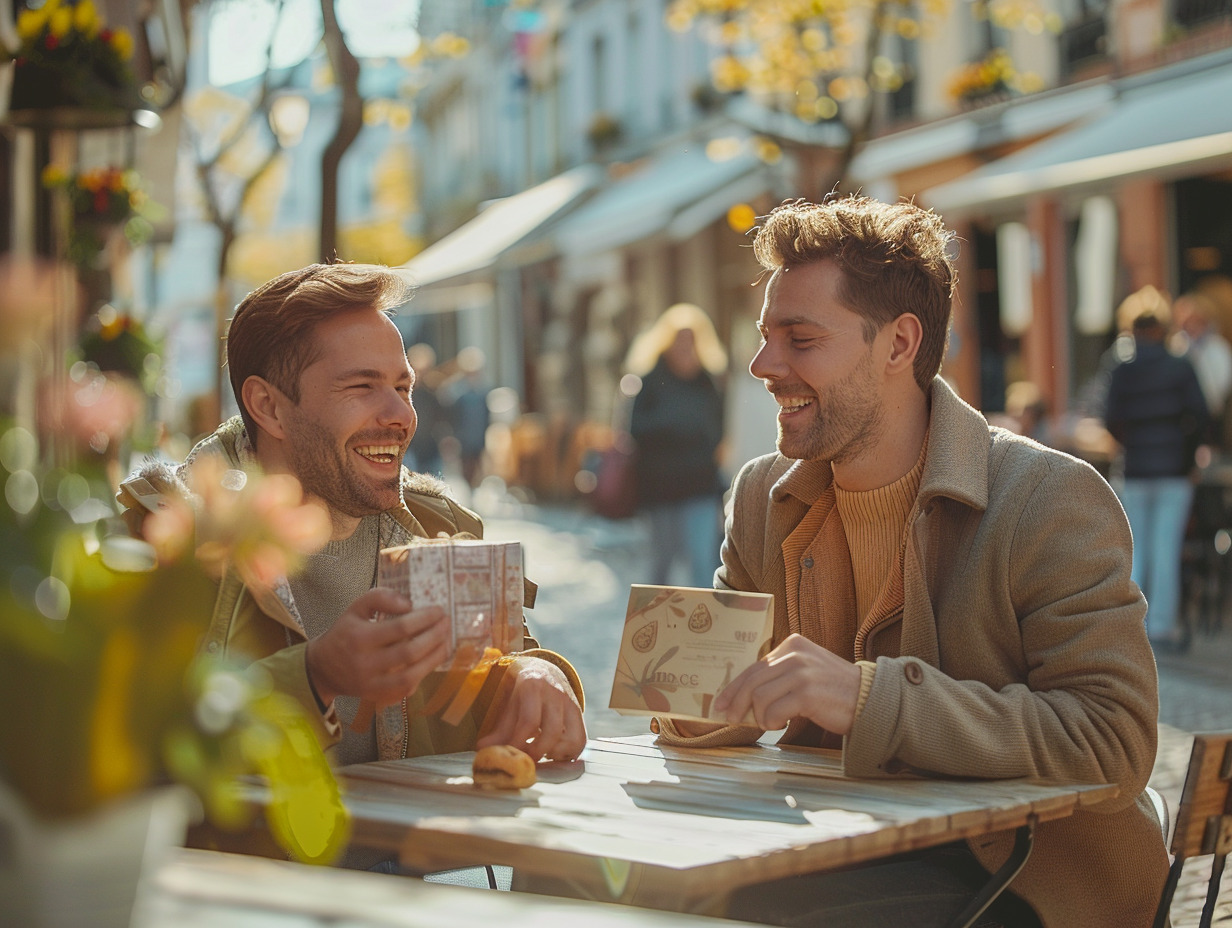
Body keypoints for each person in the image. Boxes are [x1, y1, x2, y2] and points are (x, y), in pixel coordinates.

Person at [654, 196, 1167, 928]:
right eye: (767, 336)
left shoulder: (1050, 497)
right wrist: (678, 692)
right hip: (835, 844)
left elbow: (1113, 741)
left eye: (799, 338)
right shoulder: (764, 493)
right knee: (594, 885)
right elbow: (717, 696)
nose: (762, 365)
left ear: (899, 346)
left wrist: (869, 701)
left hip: (1031, 876)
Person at [118, 263, 586, 780]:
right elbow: (134, 746)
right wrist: (316, 676)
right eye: (362, 387)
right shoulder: (166, 539)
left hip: (421, 860)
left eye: (403, 388)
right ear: (268, 406)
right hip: (245, 864)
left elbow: (501, 670)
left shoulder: (438, 527)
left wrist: (536, 673)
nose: (401, 416)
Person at [1104, 293, 1209, 652]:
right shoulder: (1180, 365)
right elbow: (1202, 414)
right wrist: (1188, 454)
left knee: (1136, 550)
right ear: (1163, 328)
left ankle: (1133, 629)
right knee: (1166, 548)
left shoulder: (1122, 368)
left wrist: (1127, 444)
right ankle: (1161, 629)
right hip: (1174, 469)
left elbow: (1109, 417)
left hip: (1135, 468)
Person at [626, 303, 727, 588]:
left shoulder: (708, 382)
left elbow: (718, 432)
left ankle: (703, 628)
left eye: (691, 341)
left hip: (700, 486)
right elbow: (634, 430)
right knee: (662, 562)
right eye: (679, 340)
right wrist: (674, 426)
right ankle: (654, 628)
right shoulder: (649, 381)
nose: (685, 348)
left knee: (702, 560)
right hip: (661, 489)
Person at [402, 342, 447, 476]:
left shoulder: (433, 391)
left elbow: (441, 418)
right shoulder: (403, 390)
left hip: (429, 449)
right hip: (410, 448)